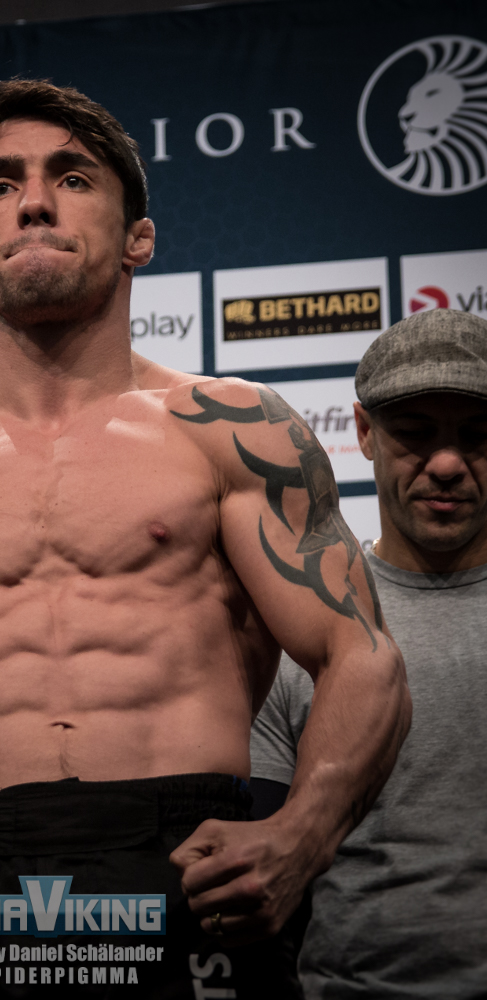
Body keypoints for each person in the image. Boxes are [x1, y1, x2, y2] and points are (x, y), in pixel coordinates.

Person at [0, 79, 410, 999]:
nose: (34, 201)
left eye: (72, 177)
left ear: (139, 238)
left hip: (185, 868)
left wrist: (300, 836)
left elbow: (360, 656)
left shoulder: (235, 429)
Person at [249, 307, 487, 999]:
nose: (447, 464)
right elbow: (263, 870)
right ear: (361, 433)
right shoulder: (303, 630)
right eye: (414, 433)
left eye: (476, 436)